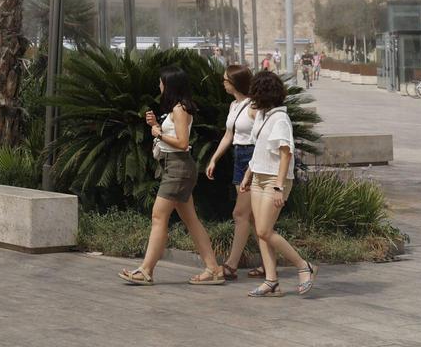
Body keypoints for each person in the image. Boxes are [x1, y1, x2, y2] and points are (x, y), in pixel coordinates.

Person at [119, 65, 225, 286]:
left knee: (159, 217)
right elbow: (175, 137)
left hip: (178, 169)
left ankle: (146, 270)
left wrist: (158, 133)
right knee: (191, 220)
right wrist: (156, 126)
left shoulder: (179, 109)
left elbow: (183, 143)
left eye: (161, 82)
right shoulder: (178, 108)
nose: (159, 85)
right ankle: (213, 269)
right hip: (174, 167)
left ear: (169, 85)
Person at [241, 71, 317, 297]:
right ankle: (271, 281)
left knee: (264, 230)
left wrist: (278, 187)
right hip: (258, 177)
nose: (251, 96)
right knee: (261, 231)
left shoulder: (280, 119)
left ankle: (304, 266)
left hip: (275, 179)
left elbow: (286, 154)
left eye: (255, 91)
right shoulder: (264, 115)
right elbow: (260, 149)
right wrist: (248, 174)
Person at [206, 64, 259, 280]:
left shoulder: (253, 106)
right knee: (252, 217)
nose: (223, 83)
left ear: (235, 82)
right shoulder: (234, 106)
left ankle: (232, 264)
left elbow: (262, 135)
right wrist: (214, 158)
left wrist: (253, 165)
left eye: (226, 80)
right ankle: (268, 261)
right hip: (238, 156)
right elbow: (229, 135)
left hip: (251, 157)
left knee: (240, 213)